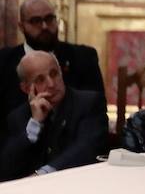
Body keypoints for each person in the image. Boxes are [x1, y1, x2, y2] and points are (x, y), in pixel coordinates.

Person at [0, 0, 105, 138]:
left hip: (72, 148)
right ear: (21, 26)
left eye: (49, 19)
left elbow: (96, 112)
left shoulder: (83, 57)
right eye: (36, 21)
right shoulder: (4, 61)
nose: (44, 26)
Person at [1, 51, 108, 180]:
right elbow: (6, 167)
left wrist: (41, 175)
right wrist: (34, 124)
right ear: (26, 88)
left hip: (78, 186)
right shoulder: (18, 117)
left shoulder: (89, 103)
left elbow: (86, 149)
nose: (51, 84)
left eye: (54, 74)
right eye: (40, 79)